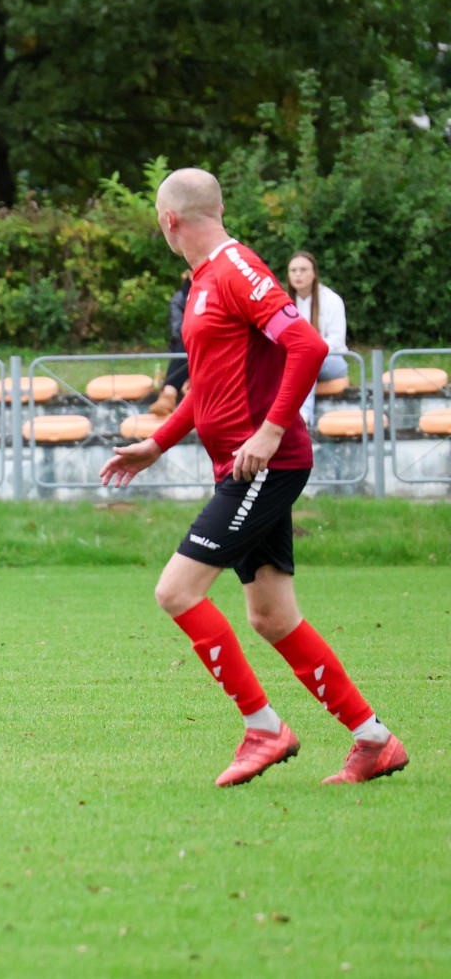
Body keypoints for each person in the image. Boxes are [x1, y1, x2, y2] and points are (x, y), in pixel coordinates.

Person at [99, 167, 407, 786]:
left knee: (176, 591)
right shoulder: (204, 281)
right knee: (271, 616)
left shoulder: (236, 269)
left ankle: (264, 728)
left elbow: (309, 346)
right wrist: (157, 443)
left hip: (266, 463)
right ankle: (374, 739)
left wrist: (269, 431)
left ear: (168, 221)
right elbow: (206, 386)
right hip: (242, 468)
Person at [286, 251, 349, 426]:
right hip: (296, 362)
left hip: (332, 361)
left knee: (307, 359)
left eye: (303, 269)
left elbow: (336, 341)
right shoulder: (284, 302)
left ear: (314, 273)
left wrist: (308, 349)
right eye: (293, 270)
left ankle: (304, 416)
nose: (298, 274)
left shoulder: (331, 300)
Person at [150, 270, 192, 417]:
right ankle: (170, 393)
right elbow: (178, 331)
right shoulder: (179, 299)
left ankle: (169, 393)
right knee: (188, 336)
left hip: (210, 348)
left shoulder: (217, 293)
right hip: (187, 349)